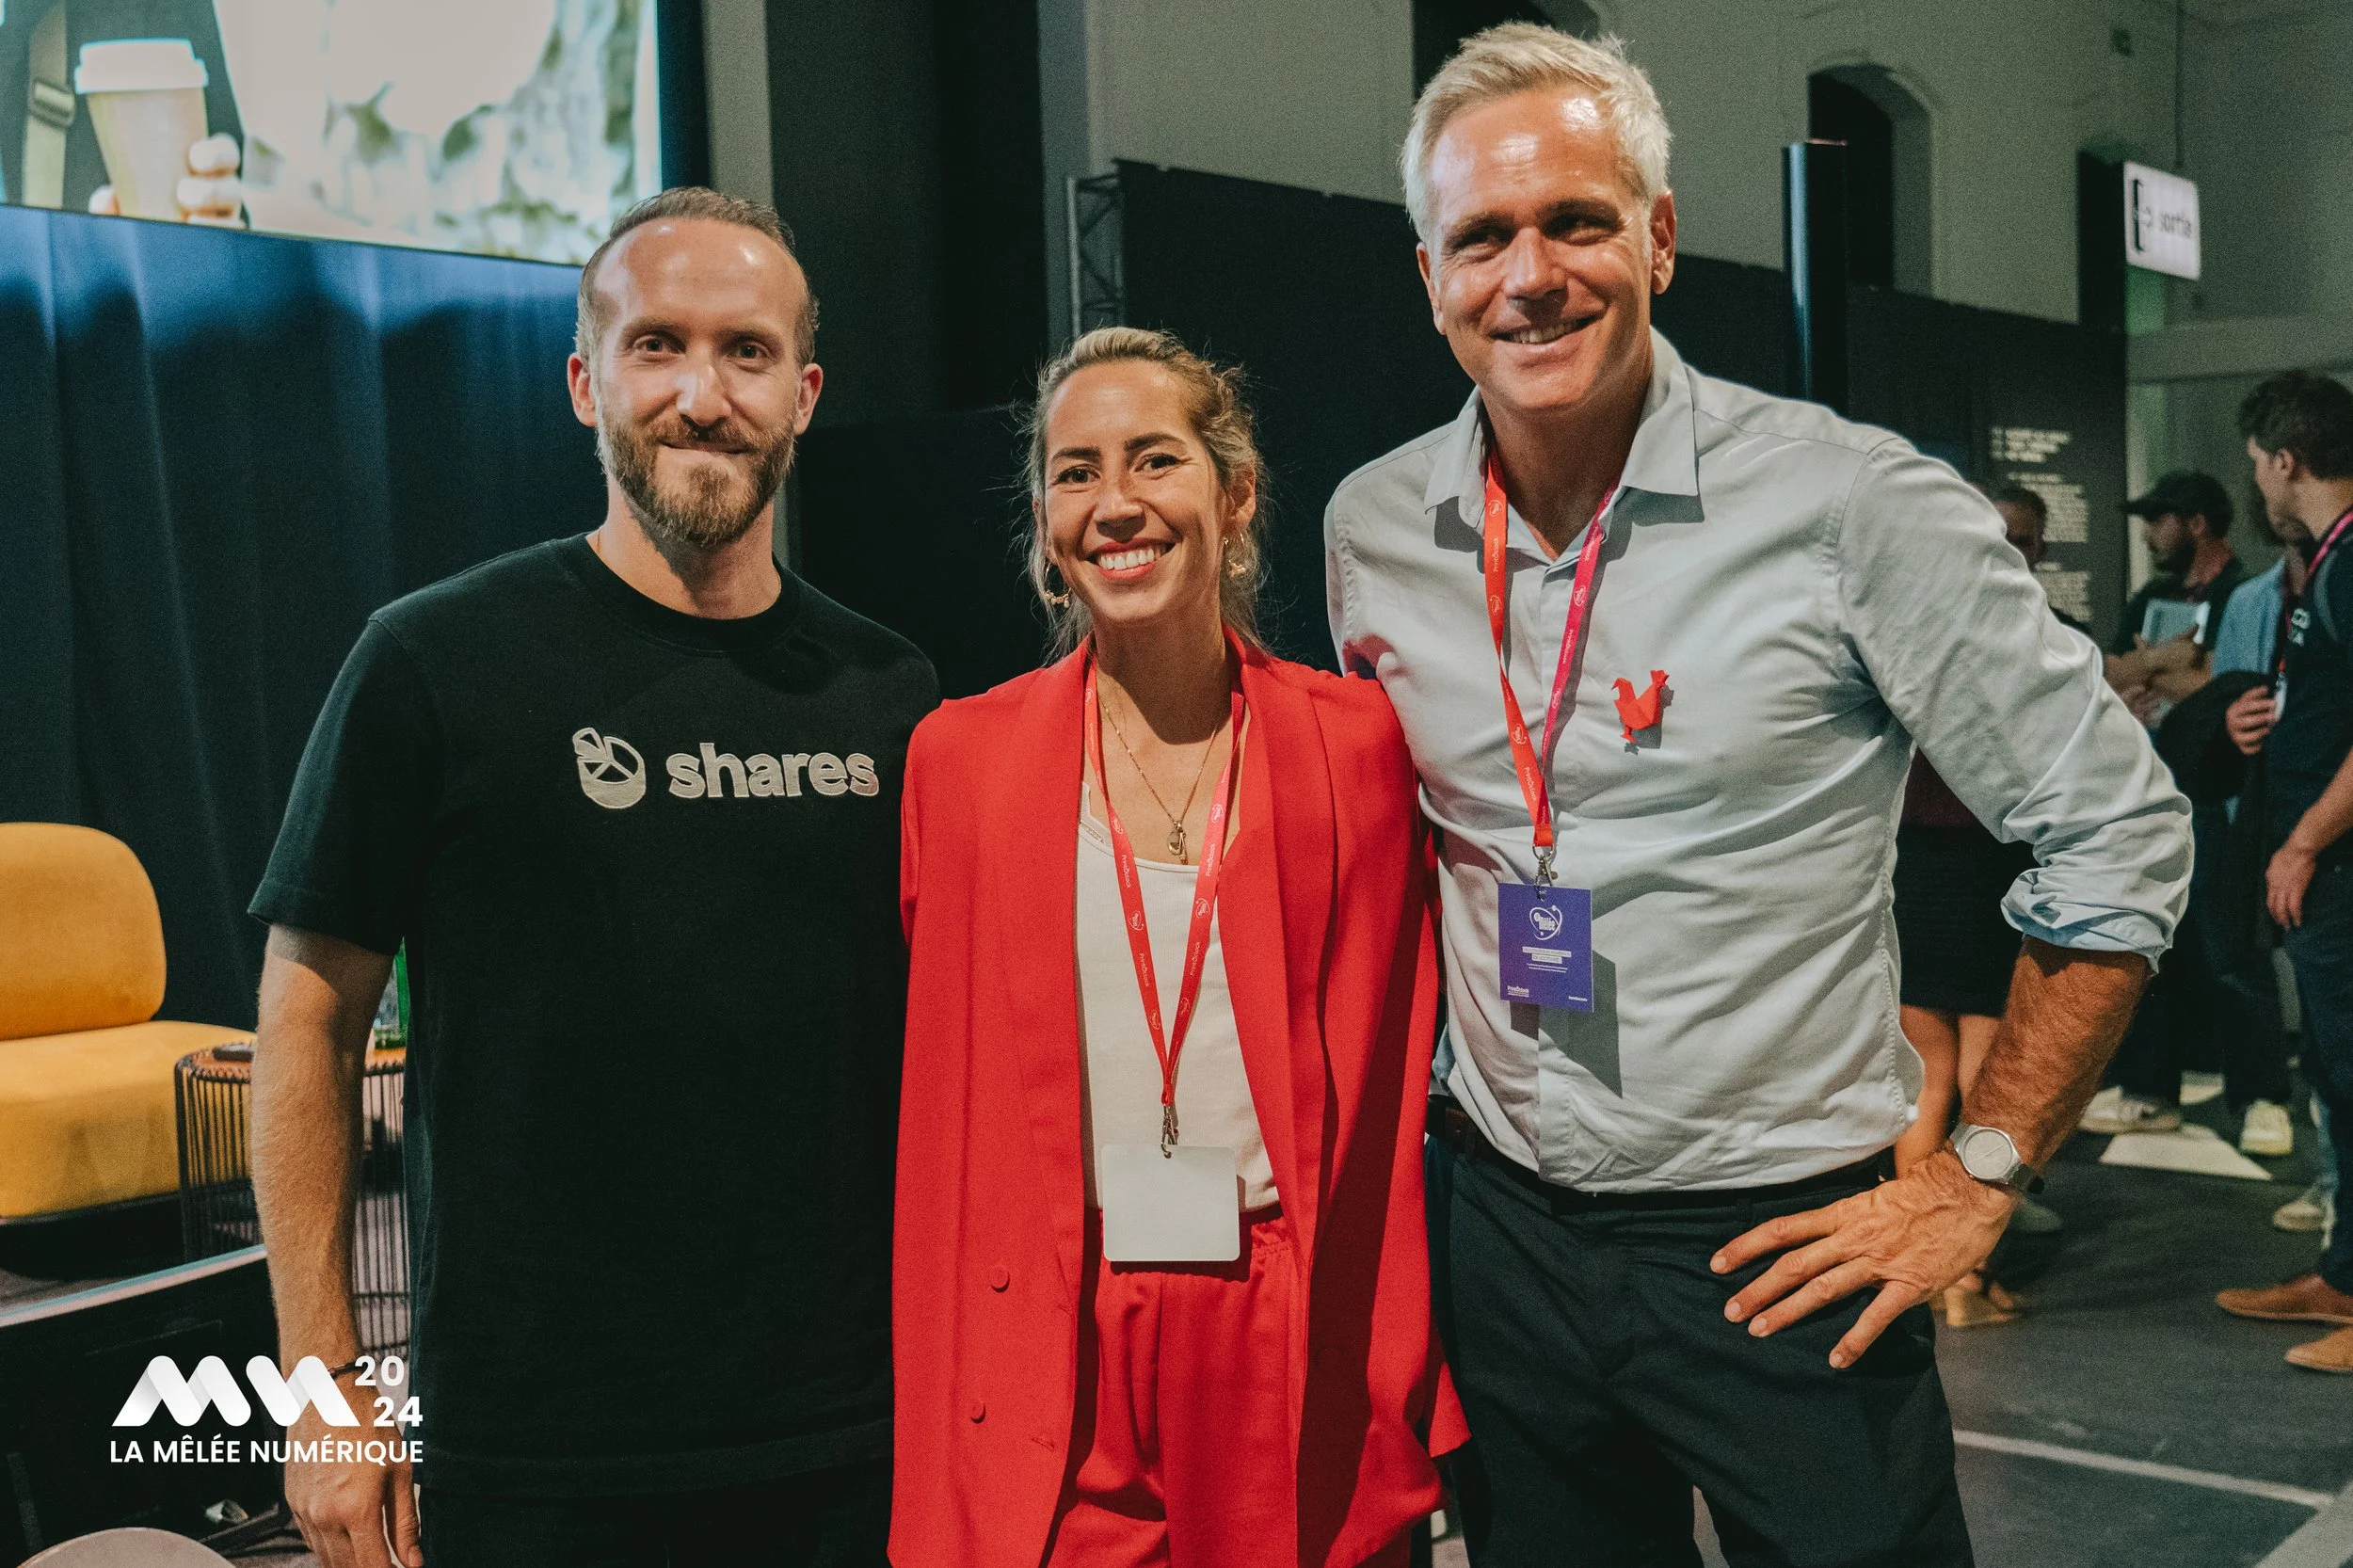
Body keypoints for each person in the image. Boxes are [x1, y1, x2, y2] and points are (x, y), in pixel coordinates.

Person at [1326, 25, 2188, 1564]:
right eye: (1482, 237)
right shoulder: (1376, 527)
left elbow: (2119, 827)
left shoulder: (1849, 506)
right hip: (1500, 1233)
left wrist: (1979, 1174)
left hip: (1780, 1245)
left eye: (1576, 220)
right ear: (1428, 276)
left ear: (1657, 236)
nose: (1530, 275)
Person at [248, 188, 935, 1568]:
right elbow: (305, 1017)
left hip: (850, 1434)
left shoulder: (896, 694)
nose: (702, 393)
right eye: (656, 345)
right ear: (584, 380)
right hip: (539, 1447)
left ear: (803, 395)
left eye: (746, 353)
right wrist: (327, 1386)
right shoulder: (432, 661)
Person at [892, 327, 1456, 1568]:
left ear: (1235, 492)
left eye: (1154, 459)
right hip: (1058, 1308)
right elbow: (945, 1106)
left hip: (1279, 1303)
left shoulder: (1354, 749)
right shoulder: (961, 763)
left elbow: (1397, 1065)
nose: (1115, 502)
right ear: (1044, 518)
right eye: (1076, 472)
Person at [1890, 487, 2068, 1330]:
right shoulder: (2040, 639)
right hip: (1989, 873)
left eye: (2022, 539)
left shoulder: (1909, 628)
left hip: (1914, 872)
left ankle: (1925, 1274)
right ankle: (1964, 1278)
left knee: (1928, 1086)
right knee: (1986, 1089)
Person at [2215, 369, 2353, 1373]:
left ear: (2284, 460)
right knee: (2336, 1075)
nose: (2257, 483)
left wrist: (2304, 838)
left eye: (2258, 464)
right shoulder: (2327, 563)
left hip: (2338, 870)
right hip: (2325, 873)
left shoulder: (2347, 563)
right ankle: (2344, 1277)